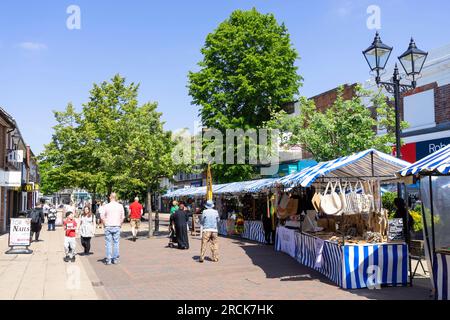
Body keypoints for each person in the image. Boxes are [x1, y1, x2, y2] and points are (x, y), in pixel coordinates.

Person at [100, 193, 125, 265]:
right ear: (116, 197)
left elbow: (102, 216)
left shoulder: (106, 206)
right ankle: (115, 259)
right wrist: (120, 225)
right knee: (116, 243)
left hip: (108, 226)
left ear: (110, 197)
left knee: (108, 243)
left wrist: (104, 224)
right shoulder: (120, 206)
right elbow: (123, 217)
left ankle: (109, 259)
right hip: (116, 226)